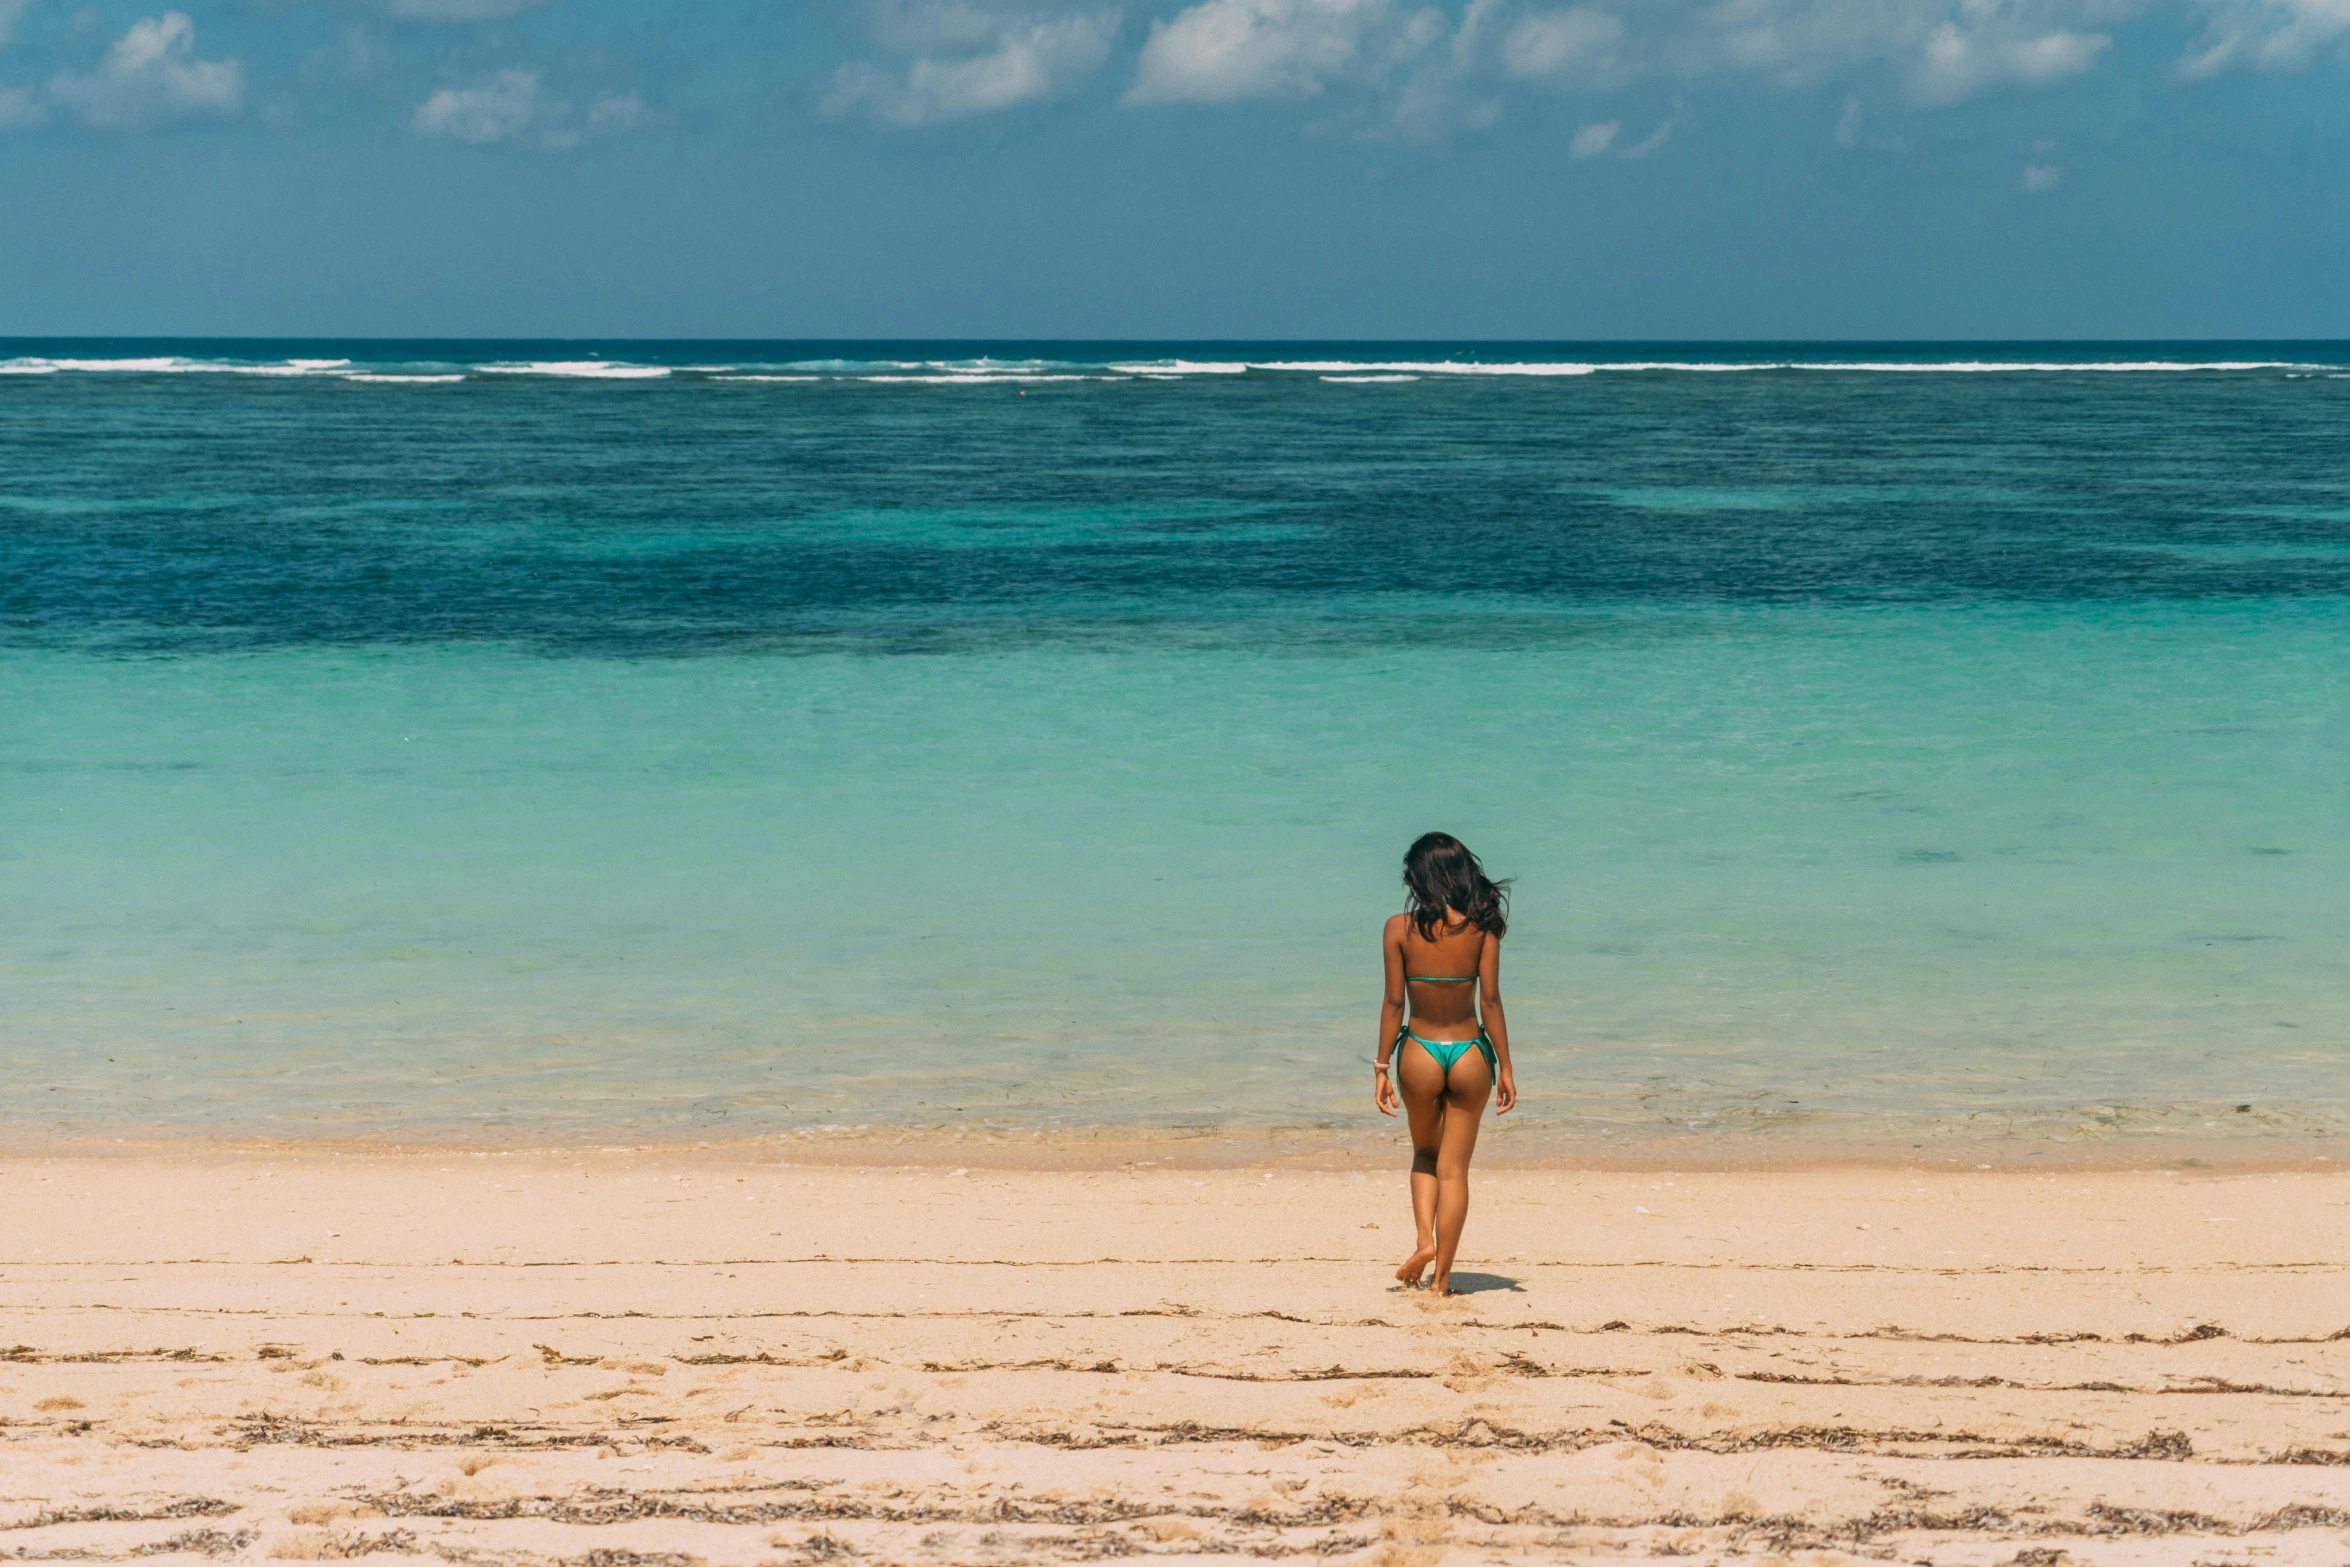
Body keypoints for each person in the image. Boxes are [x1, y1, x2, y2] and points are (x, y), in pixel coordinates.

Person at [1373, 832, 1517, 1294]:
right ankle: (1443, 1280)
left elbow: (1394, 1003)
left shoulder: (1398, 928)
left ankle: (1422, 1241)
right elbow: (1490, 1002)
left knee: (1424, 1155)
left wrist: (1380, 1066)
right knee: (1455, 1170)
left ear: (1419, 878)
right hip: (1470, 1052)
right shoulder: (1483, 931)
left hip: (1419, 1050)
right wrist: (1508, 1071)